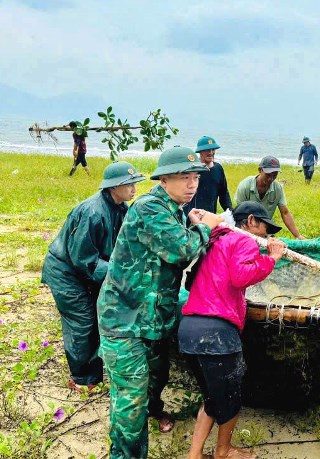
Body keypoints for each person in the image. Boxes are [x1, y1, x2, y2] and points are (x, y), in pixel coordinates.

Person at [97, 146, 223, 459]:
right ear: (163, 180)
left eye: (195, 177)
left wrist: (192, 223)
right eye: (184, 177)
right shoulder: (148, 208)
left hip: (151, 321)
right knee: (130, 404)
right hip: (124, 321)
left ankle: (151, 416)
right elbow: (181, 249)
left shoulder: (174, 209)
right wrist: (209, 225)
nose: (192, 184)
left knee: (156, 380)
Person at [179, 201, 286, 459]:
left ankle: (195, 455)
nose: (266, 235)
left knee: (211, 399)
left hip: (189, 328)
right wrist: (271, 259)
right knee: (231, 398)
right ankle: (224, 451)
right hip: (217, 332)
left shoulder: (213, 238)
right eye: (264, 227)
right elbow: (240, 276)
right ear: (250, 221)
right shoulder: (244, 240)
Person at [42, 162, 146, 393]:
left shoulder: (120, 208)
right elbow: (83, 259)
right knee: (83, 321)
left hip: (84, 270)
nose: (133, 188)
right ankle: (82, 379)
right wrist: (119, 273)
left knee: (99, 316)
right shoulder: (93, 212)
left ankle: (93, 372)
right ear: (113, 187)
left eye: (134, 182)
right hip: (65, 272)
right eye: (128, 184)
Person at [235, 156, 305, 239]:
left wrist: (297, 235)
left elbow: (285, 213)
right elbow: (240, 215)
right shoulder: (245, 186)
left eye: (274, 175)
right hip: (246, 229)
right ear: (260, 170)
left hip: (265, 230)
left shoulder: (277, 188)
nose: (271, 179)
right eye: (268, 175)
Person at [184, 135, 233, 218]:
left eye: (213, 149)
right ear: (200, 152)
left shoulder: (218, 168)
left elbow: (224, 194)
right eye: (207, 150)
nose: (211, 152)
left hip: (210, 215)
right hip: (192, 215)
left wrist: (231, 213)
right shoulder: (193, 169)